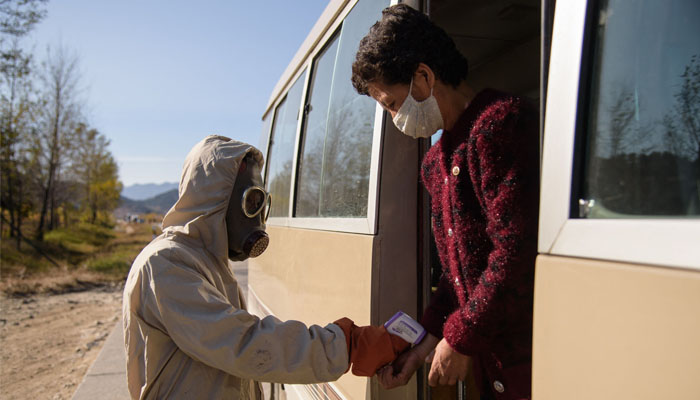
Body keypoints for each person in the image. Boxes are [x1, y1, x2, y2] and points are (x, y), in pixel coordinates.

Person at [122, 135, 408, 400]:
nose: (259, 217)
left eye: (263, 203)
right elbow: (243, 345)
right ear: (215, 203)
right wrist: (347, 346)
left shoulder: (207, 264)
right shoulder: (166, 263)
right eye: (252, 201)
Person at [351, 5, 539, 400]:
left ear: (423, 77)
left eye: (390, 103)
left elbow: (515, 253)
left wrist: (460, 339)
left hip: (527, 360)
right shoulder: (436, 164)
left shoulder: (500, 124)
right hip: (490, 366)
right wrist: (422, 348)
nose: (392, 117)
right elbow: (459, 277)